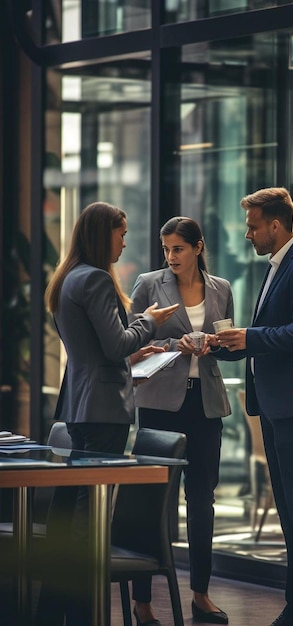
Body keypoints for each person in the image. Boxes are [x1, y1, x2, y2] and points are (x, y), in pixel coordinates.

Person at [40, 201, 178, 626]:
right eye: (121, 233)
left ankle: (53, 610)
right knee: (90, 516)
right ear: (104, 235)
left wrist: (132, 347)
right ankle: (84, 611)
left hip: (79, 406)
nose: (124, 241)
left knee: (70, 514)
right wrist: (149, 321)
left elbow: (97, 349)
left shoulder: (66, 280)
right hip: (104, 412)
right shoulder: (97, 279)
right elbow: (116, 345)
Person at [215, 187, 293, 626]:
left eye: (252, 226)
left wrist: (248, 337)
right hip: (273, 404)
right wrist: (217, 346)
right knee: (288, 508)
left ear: (276, 225)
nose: (247, 234)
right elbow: (267, 336)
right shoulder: (278, 266)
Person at [129, 216, 233, 626]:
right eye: (166, 248)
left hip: (205, 404)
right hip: (158, 404)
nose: (171, 256)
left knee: (202, 500)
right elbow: (132, 340)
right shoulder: (148, 284)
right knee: (152, 500)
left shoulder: (221, 289)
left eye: (179, 248)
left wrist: (214, 344)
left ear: (198, 247)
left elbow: (228, 343)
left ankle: (201, 594)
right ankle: (142, 602)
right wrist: (177, 343)